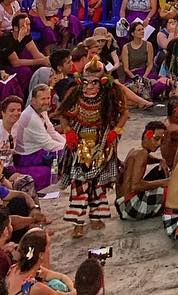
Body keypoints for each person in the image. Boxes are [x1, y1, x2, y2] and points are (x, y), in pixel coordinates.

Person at [54, 57, 128, 237]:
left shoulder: (110, 95)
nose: (89, 87)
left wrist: (115, 131)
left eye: (94, 83)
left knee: (98, 182)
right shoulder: (75, 94)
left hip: (102, 142)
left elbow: (124, 112)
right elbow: (63, 113)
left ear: (103, 82)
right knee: (79, 181)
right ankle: (78, 221)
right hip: (79, 143)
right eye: (85, 83)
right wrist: (68, 130)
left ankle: (96, 216)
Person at [115, 120, 168, 220]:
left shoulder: (136, 149)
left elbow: (148, 158)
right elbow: (136, 186)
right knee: (171, 191)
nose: (159, 144)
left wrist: (160, 160)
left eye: (161, 140)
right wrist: (165, 182)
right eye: (156, 139)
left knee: (160, 170)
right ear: (147, 135)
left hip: (121, 204)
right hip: (130, 207)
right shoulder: (142, 154)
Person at [6, 227, 75, 295]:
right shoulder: (37, 288)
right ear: (41, 255)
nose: (49, 250)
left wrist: (72, 288)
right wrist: (74, 291)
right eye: (48, 246)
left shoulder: (14, 268)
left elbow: (61, 277)